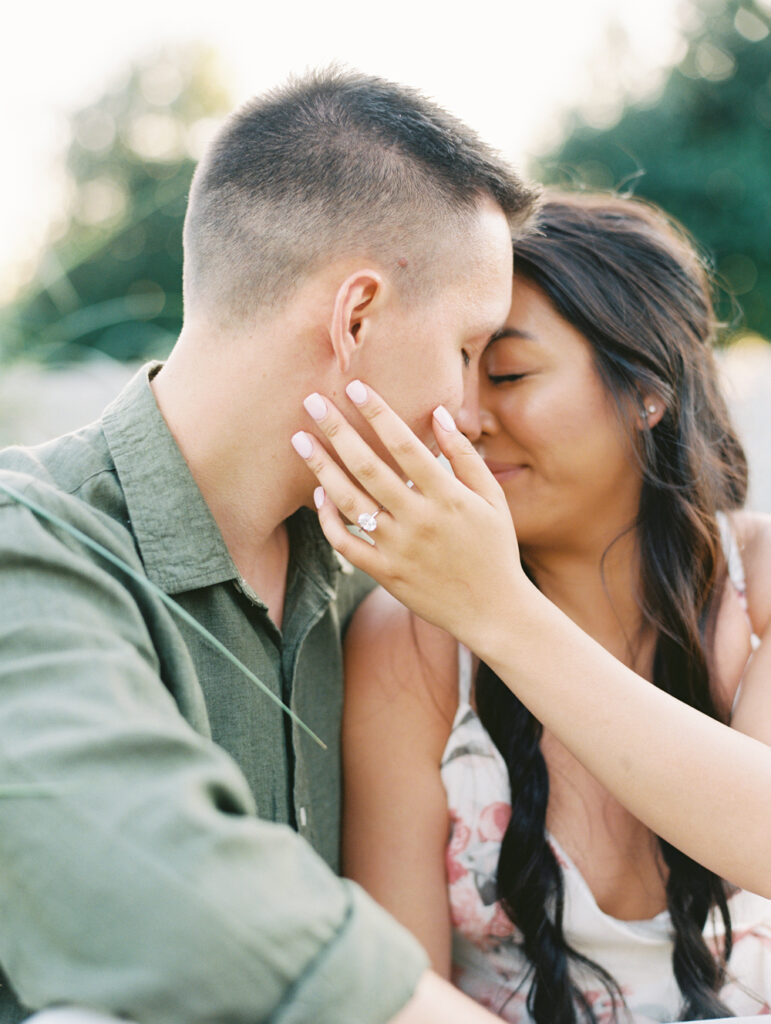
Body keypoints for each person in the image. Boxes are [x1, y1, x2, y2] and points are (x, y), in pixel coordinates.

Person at [0, 68, 540, 1024]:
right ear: (356, 316)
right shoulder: (27, 543)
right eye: (466, 350)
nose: (467, 412)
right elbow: (165, 905)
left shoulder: (390, 577)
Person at [292, 192, 771, 1023]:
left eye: (507, 373)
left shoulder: (756, 590)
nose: (467, 418)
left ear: (646, 388)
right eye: (457, 368)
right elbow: (403, 992)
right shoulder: (410, 641)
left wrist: (500, 613)